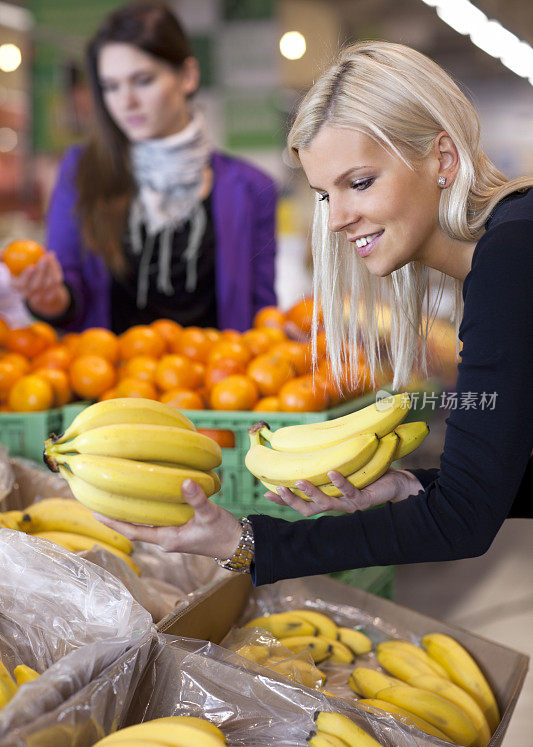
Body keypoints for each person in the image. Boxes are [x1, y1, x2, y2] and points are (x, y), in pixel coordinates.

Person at [96, 41, 533, 584]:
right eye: (326, 195)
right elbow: (478, 492)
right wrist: (417, 484)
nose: (337, 219)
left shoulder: (511, 260)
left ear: (442, 159)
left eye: (360, 182)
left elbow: (462, 524)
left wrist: (249, 543)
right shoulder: (512, 242)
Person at [12, 1, 277, 333]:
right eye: (111, 86)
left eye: (142, 80)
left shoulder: (254, 188)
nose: (126, 102)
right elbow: (70, 286)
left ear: (188, 76)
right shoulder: (81, 170)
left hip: (219, 379)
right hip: (108, 378)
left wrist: (289, 331)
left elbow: (262, 311)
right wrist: (51, 300)